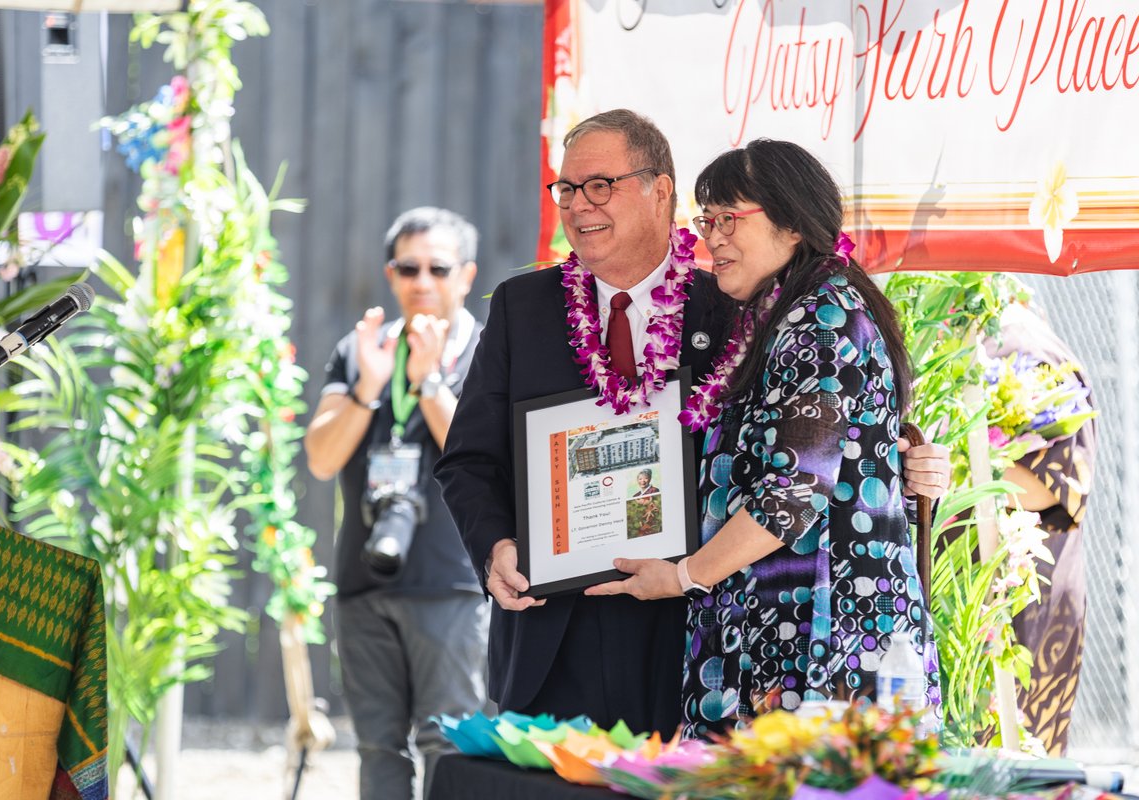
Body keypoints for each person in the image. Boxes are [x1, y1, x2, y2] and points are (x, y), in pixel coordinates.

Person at [435, 110, 950, 739]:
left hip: (696, 633)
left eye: (600, 185)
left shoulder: (741, 307)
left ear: (660, 191)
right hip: (555, 635)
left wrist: (904, 463)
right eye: (566, 189)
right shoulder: (523, 307)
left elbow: (811, 462)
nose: (578, 204)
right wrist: (496, 548)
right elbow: (469, 460)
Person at [585, 139, 942, 737]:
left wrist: (681, 576)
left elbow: (791, 495)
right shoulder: (781, 317)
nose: (711, 239)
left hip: (820, 647)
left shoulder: (818, 321)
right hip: (792, 635)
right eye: (706, 221)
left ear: (794, 223)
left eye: (729, 219)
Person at [304, 207, 488, 799]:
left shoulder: (487, 352)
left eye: (438, 267)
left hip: (452, 583)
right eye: (408, 267)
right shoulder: (360, 351)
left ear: (466, 275)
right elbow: (322, 457)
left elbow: (485, 458)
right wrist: (369, 387)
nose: (423, 282)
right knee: (377, 746)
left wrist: (429, 381)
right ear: (391, 275)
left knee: (449, 742)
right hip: (365, 582)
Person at [991, 300, 1097, 755]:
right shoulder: (983, 340)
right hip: (977, 586)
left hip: (1025, 595)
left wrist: (955, 469)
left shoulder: (1025, 349)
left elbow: (1049, 488)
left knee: (1021, 758)